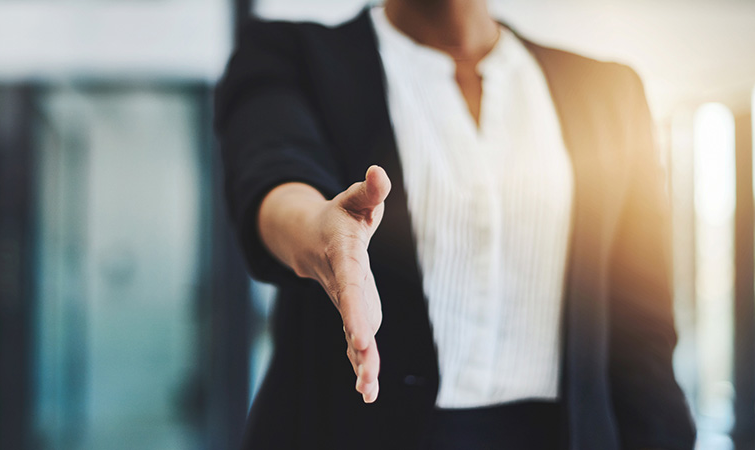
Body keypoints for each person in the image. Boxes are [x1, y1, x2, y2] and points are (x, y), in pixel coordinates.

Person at [213, 0, 696, 448]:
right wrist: (320, 232)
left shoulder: (608, 92)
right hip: (355, 431)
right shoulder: (290, 55)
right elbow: (275, 171)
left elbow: (642, 328)